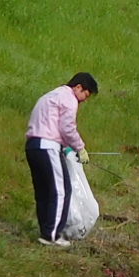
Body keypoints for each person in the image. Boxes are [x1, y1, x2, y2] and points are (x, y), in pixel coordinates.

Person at [25, 72, 98, 246]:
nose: (84, 100)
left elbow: (52, 124)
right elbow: (67, 127)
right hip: (47, 147)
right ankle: (52, 235)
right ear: (78, 87)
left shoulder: (51, 95)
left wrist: (66, 147)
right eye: (85, 95)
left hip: (32, 146)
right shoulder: (69, 98)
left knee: (43, 191)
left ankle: (45, 230)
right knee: (60, 190)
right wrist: (80, 148)